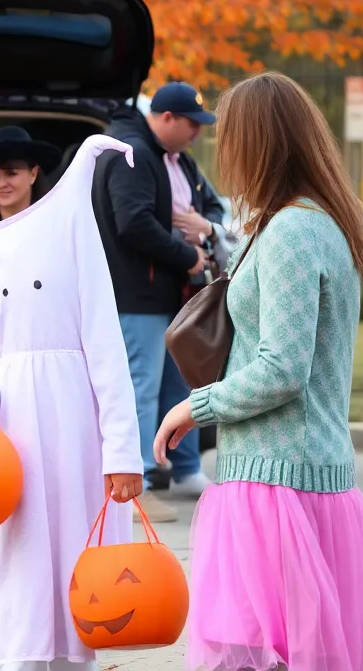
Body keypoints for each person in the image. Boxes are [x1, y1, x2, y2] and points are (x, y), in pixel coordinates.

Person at [154, 71, 363, 671]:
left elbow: (282, 367)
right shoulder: (316, 222)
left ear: (259, 142)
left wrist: (193, 406)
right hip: (299, 477)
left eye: (231, 136)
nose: (223, 150)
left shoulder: (293, 230)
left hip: (278, 483)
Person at [0, 131, 143, 671]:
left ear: (34, 174)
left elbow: (108, 353)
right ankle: (13, 656)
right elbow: (5, 380)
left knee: (74, 540)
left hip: (75, 426)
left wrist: (122, 452)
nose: (2, 182)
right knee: (17, 544)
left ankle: (70, 658)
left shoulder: (72, 234)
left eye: (13, 170)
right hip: (17, 439)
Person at [91, 82, 219, 522]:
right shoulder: (134, 153)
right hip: (137, 293)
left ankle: (184, 468)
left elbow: (210, 204)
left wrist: (205, 227)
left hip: (167, 294)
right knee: (140, 389)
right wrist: (188, 255)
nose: (197, 133)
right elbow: (134, 223)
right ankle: (137, 484)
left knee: (178, 384)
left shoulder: (175, 157)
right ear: (166, 118)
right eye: (191, 124)